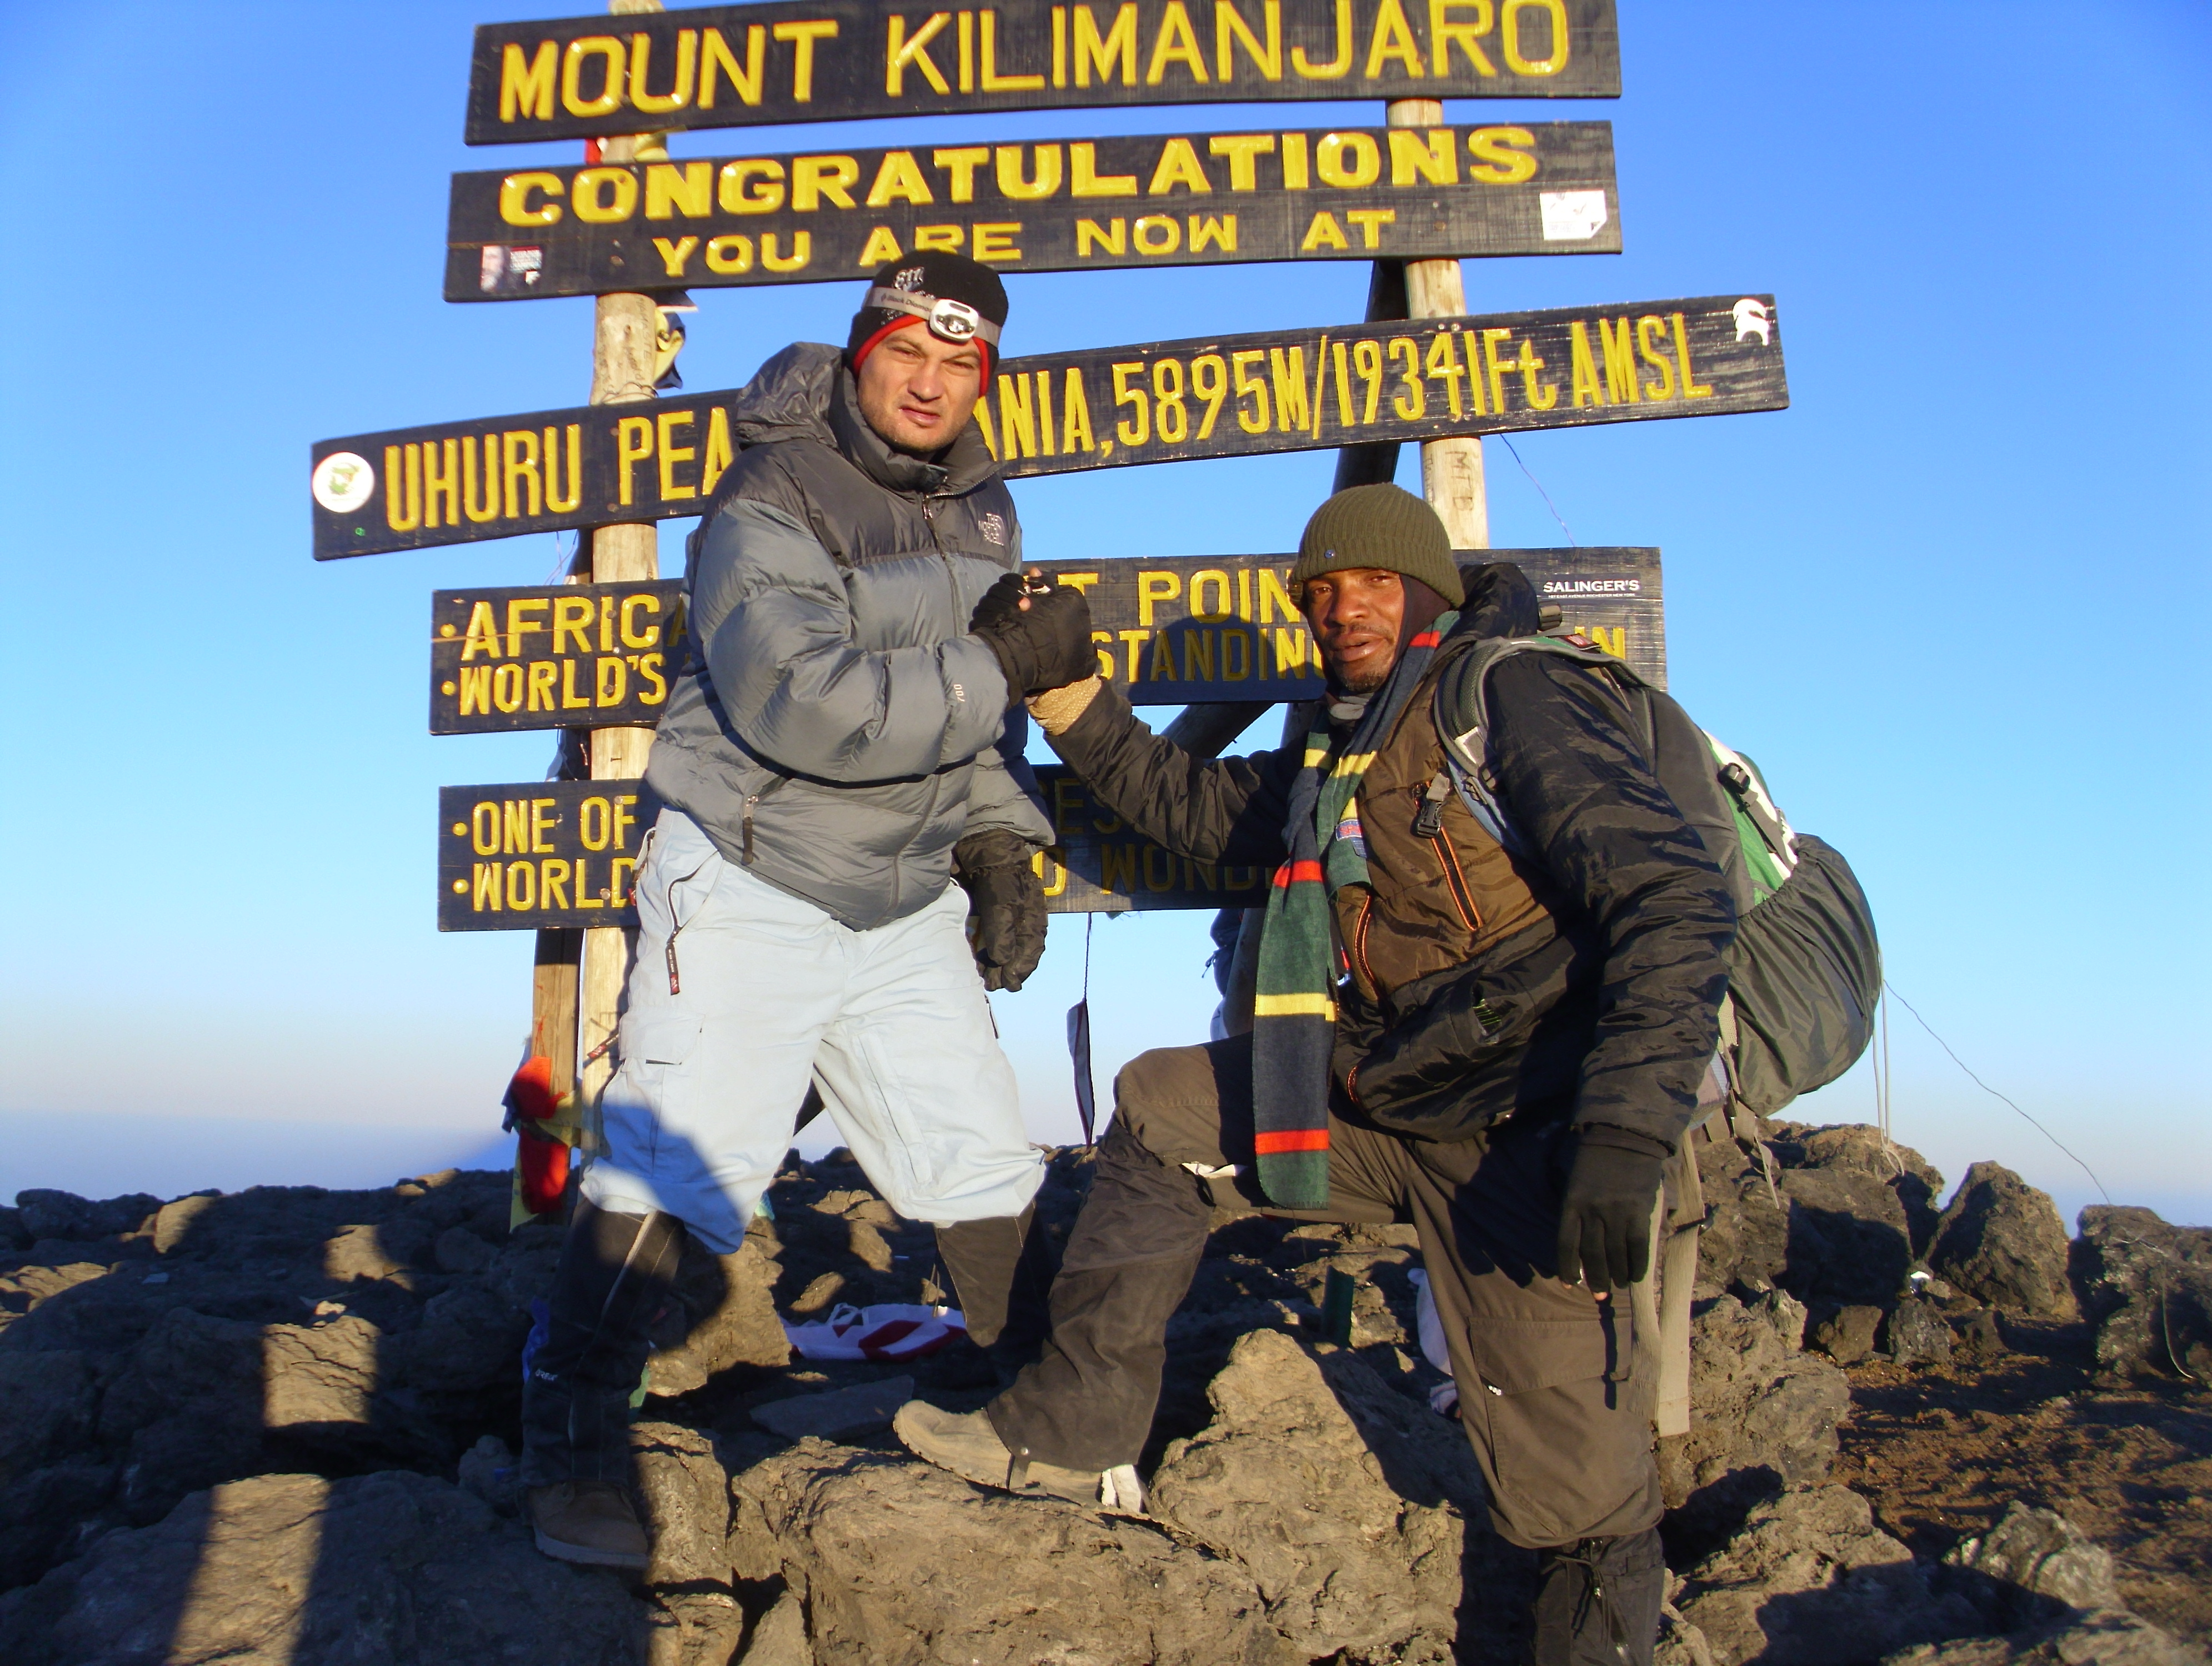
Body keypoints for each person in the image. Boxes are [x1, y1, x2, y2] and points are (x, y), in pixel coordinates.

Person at [895, 482, 1737, 1665]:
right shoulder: (1341, 745)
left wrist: (1623, 1133)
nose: (1341, 610)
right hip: (1380, 1100)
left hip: (1524, 1129)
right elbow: (1191, 808)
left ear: (1431, 590)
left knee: (1578, 1504)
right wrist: (1066, 689)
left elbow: (1672, 897)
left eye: (1372, 585)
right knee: (1163, 1107)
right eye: (1321, 592)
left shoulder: (1511, 696)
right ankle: (1072, 1425)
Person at [522, 253, 1099, 1569]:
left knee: (976, 1153)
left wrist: (1004, 838)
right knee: (680, 1160)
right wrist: (996, 662)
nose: (932, 382)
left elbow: (971, 713)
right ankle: (569, 1430)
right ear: (860, 353)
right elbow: (806, 703)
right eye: (910, 352)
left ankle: (1030, 1414)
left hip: (896, 896)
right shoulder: (766, 494)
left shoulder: (982, 507)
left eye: (962, 365)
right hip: (748, 870)